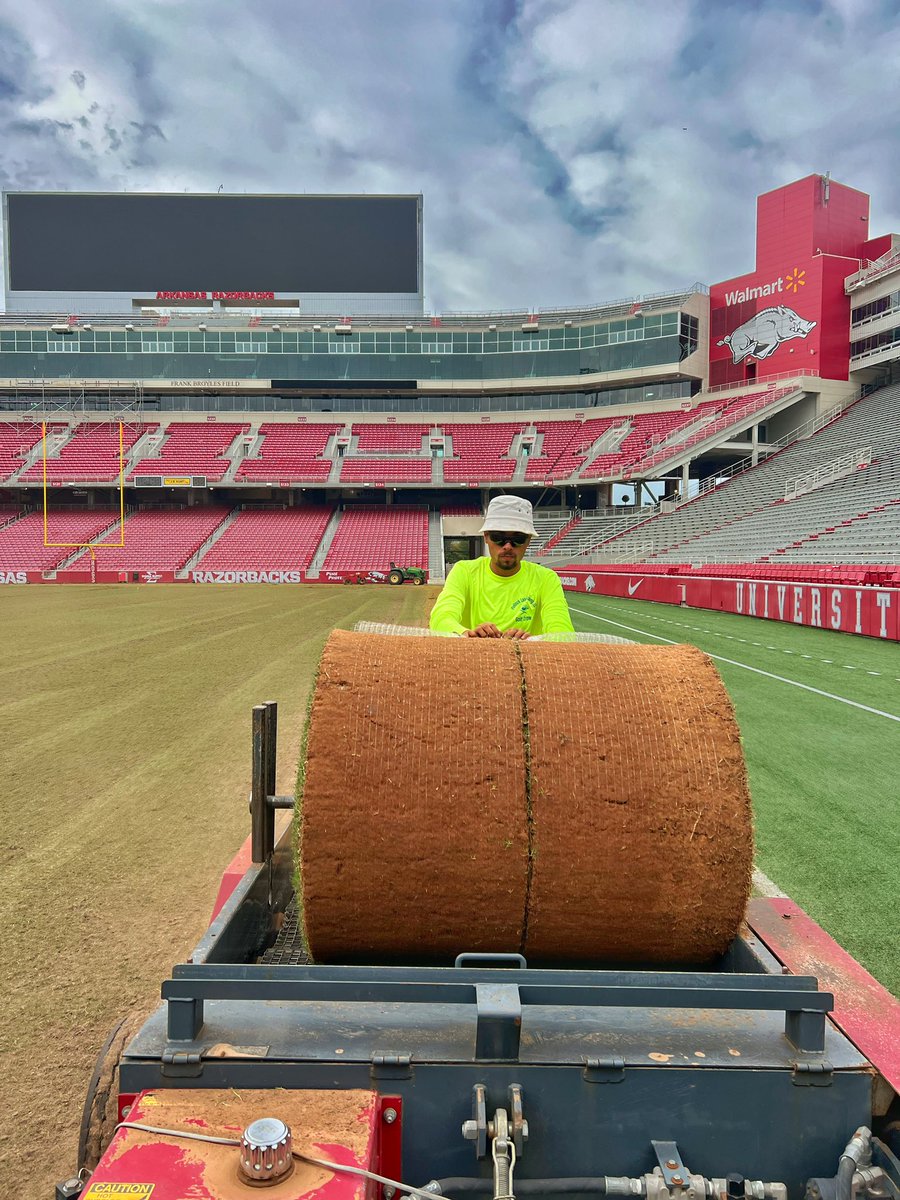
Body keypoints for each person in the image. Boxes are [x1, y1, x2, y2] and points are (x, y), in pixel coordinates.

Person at [429, 495, 575, 638]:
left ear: (528, 540)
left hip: (527, 660)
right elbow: (441, 616)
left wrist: (530, 642)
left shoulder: (546, 578)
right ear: (486, 537)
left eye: (517, 539)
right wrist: (468, 635)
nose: (507, 546)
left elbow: (562, 629)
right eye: (498, 537)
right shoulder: (464, 571)